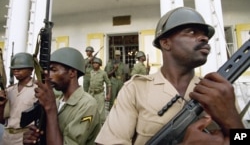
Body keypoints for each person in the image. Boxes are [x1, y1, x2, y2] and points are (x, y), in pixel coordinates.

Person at [95, 7, 244, 144]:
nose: (204, 38)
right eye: (191, 32)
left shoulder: (219, 91)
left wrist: (234, 122)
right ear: (166, 43)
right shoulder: (135, 89)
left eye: (205, 35)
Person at [23, 47, 101, 145]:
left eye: (53, 70)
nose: (48, 75)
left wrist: (50, 109)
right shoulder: (57, 102)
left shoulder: (87, 105)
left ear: (72, 73)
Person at [0, 52, 37, 145]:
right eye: (14, 68)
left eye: (20, 68)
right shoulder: (9, 90)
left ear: (31, 69)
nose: (16, 70)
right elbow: (2, 119)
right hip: (7, 137)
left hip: (25, 137)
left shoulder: (37, 90)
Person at [88, 57, 111, 124]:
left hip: (99, 94)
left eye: (96, 63)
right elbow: (91, 83)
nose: (95, 64)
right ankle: (92, 123)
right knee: (90, 108)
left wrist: (109, 94)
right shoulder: (91, 72)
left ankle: (101, 125)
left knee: (100, 111)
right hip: (91, 93)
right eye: (94, 63)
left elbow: (108, 83)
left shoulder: (103, 73)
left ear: (100, 64)